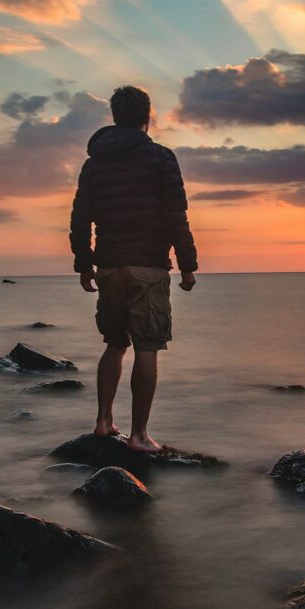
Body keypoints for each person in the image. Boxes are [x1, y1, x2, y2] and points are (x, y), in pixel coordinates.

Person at [69, 85, 198, 453]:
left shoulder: (95, 164)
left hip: (109, 265)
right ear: (147, 116)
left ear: (114, 116)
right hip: (147, 267)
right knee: (147, 347)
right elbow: (176, 214)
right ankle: (139, 435)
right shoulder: (160, 158)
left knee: (114, 343)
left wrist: (84, 263)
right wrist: (187, 266)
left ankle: (103, 422)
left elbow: (80, 218)